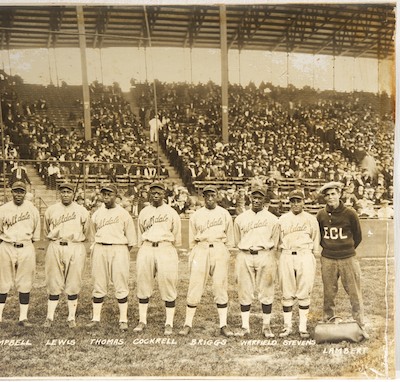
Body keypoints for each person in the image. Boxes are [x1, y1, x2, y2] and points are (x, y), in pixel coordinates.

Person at [179, 185, 235, 337]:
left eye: (212, 195)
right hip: (201, 248)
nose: (210, 198)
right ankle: (187, 323)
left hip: (219, 248)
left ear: (217, 196)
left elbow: (230, 239)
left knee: (220, 286)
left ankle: (223, 324)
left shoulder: (224, 214)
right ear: (203, 197)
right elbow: (191, 239)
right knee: (195, 285)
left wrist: (225, 252)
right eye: (207, 196)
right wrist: (194, 253)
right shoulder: (196, 215)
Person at [316, 181, 369, 339]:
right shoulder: (321, 214)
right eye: (327, 195)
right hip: (328, 258)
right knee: (329, 293)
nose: (330, 197)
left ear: (339, 194)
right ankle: (328, 321)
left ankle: (360, 324)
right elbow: (319, 236)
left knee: (354, 293)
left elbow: (357, 236)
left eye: (333, 194)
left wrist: (346, 249)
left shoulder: (350, 213)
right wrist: (330, 248)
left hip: (348, 258)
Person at [87, 184, 137, 331]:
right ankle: (96, 318)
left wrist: (120, 250)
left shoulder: (123, 213)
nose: (106, 196)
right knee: (98, 282)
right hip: (100, 247)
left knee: (120, 282)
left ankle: (123, 319)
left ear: (116, 196)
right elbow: (92, 234)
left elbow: (131, 239)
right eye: (104, 194)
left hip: (119, 248)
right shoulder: (96, 213)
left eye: (110, 194)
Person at [134, 182, 182, 335]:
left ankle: (169, 322)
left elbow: (176, 234)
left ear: (164, 194)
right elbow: (140, 231)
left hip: (165, 247)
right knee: (143, 282)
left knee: (168, 283)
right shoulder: (144, 212)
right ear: (149, 194)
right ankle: (142, 320)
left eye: (159, 192)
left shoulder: (171, 212)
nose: (156, 195)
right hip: (147, 247)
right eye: (153, 192)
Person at [42, 183, 90, 328]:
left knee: (74, 281)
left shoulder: (82, 210)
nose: (65, 194)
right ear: (59, 193)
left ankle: (71, 317)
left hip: (75, 245)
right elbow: (46, 230)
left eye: (68, 192)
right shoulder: (51, 210)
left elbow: (86, 231)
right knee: (53, 281)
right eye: (62, 192)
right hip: (56, 245)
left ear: (73, 194)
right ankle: (49, 317)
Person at [233, 185, 279, 338]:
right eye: (254, 197)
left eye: (260, 197)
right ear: (250, 198)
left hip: (265, 254)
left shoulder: (272, 219)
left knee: (266, 289)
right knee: (245, 289)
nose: (257, 200)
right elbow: (237, 240)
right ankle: (245, 326)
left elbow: (275, 240)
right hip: (245, 254)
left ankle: (266, 325)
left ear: (265, 200)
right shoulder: (241, 218)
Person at [276, 189, 320, 338]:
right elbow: (278, 240)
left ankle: (302, 327)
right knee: (287, 291)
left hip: (305, 254)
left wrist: (312, 255)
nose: (295, 204)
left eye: (298, 200)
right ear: (289, 203)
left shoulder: (310, 219)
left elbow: (315, 239)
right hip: (287, 254)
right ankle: (287, 326)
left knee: (304, 290)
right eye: (292, 201)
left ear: (303, 202)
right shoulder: (282, 219)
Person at [0, 181, 40, 326]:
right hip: (7, 245)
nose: (18, 194)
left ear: (25, 193)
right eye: (16, 191)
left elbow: (36, 233)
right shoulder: (3, 209)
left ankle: (23, 318)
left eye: (21, 191)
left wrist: (27, 244)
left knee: (25, 281)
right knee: (2, 281)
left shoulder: (32, 209)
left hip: (26, 246)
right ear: (11, 192)